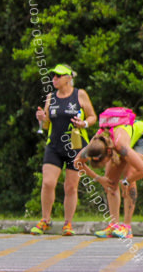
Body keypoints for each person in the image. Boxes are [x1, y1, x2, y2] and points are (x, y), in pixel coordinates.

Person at [30, 64, 97, 236]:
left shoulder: (79, 94)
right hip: (54, 145)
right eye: (53, 76)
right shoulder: (50, 97)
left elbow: (92, 116)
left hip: (75, 146)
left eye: (59, 76)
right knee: (48, 183)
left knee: (71, 187)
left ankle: (68, 224)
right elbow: (46, 125)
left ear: (69, 78)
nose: (55, 79)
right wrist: (41, 119)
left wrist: (85, 123)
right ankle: (45, 220)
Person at [74, 114, 143, 239]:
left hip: (142, 138)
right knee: (110, 182)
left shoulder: (121, 147)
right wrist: (98, 178)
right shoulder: (94, 145)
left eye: (104, 162)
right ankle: (114, 225)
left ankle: (127, 227)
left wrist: (127, 181)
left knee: (129, 173)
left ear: (108, 152)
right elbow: (77, 162)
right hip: (121, 140)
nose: (105, 165)